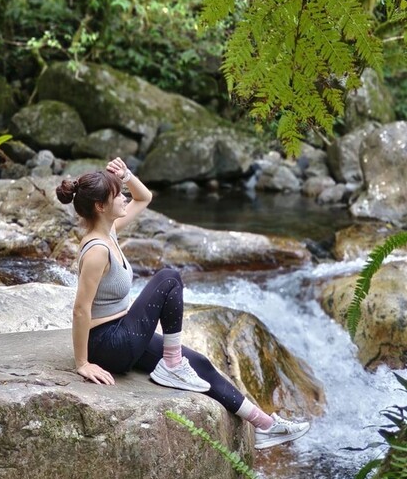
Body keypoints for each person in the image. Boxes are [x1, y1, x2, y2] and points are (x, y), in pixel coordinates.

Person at [55, 157, 310, 450]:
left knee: (199, 363)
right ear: (101, 206)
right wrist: (83, 363)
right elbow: (80, 309)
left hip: (122, 332)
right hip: (109, 342)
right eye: (117, 195)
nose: (124, 197)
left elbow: (144, 197)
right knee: (168, 278)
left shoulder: (109, 232)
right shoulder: (97, 250)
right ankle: (173, 364)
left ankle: (264, 426)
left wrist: (126, 175)